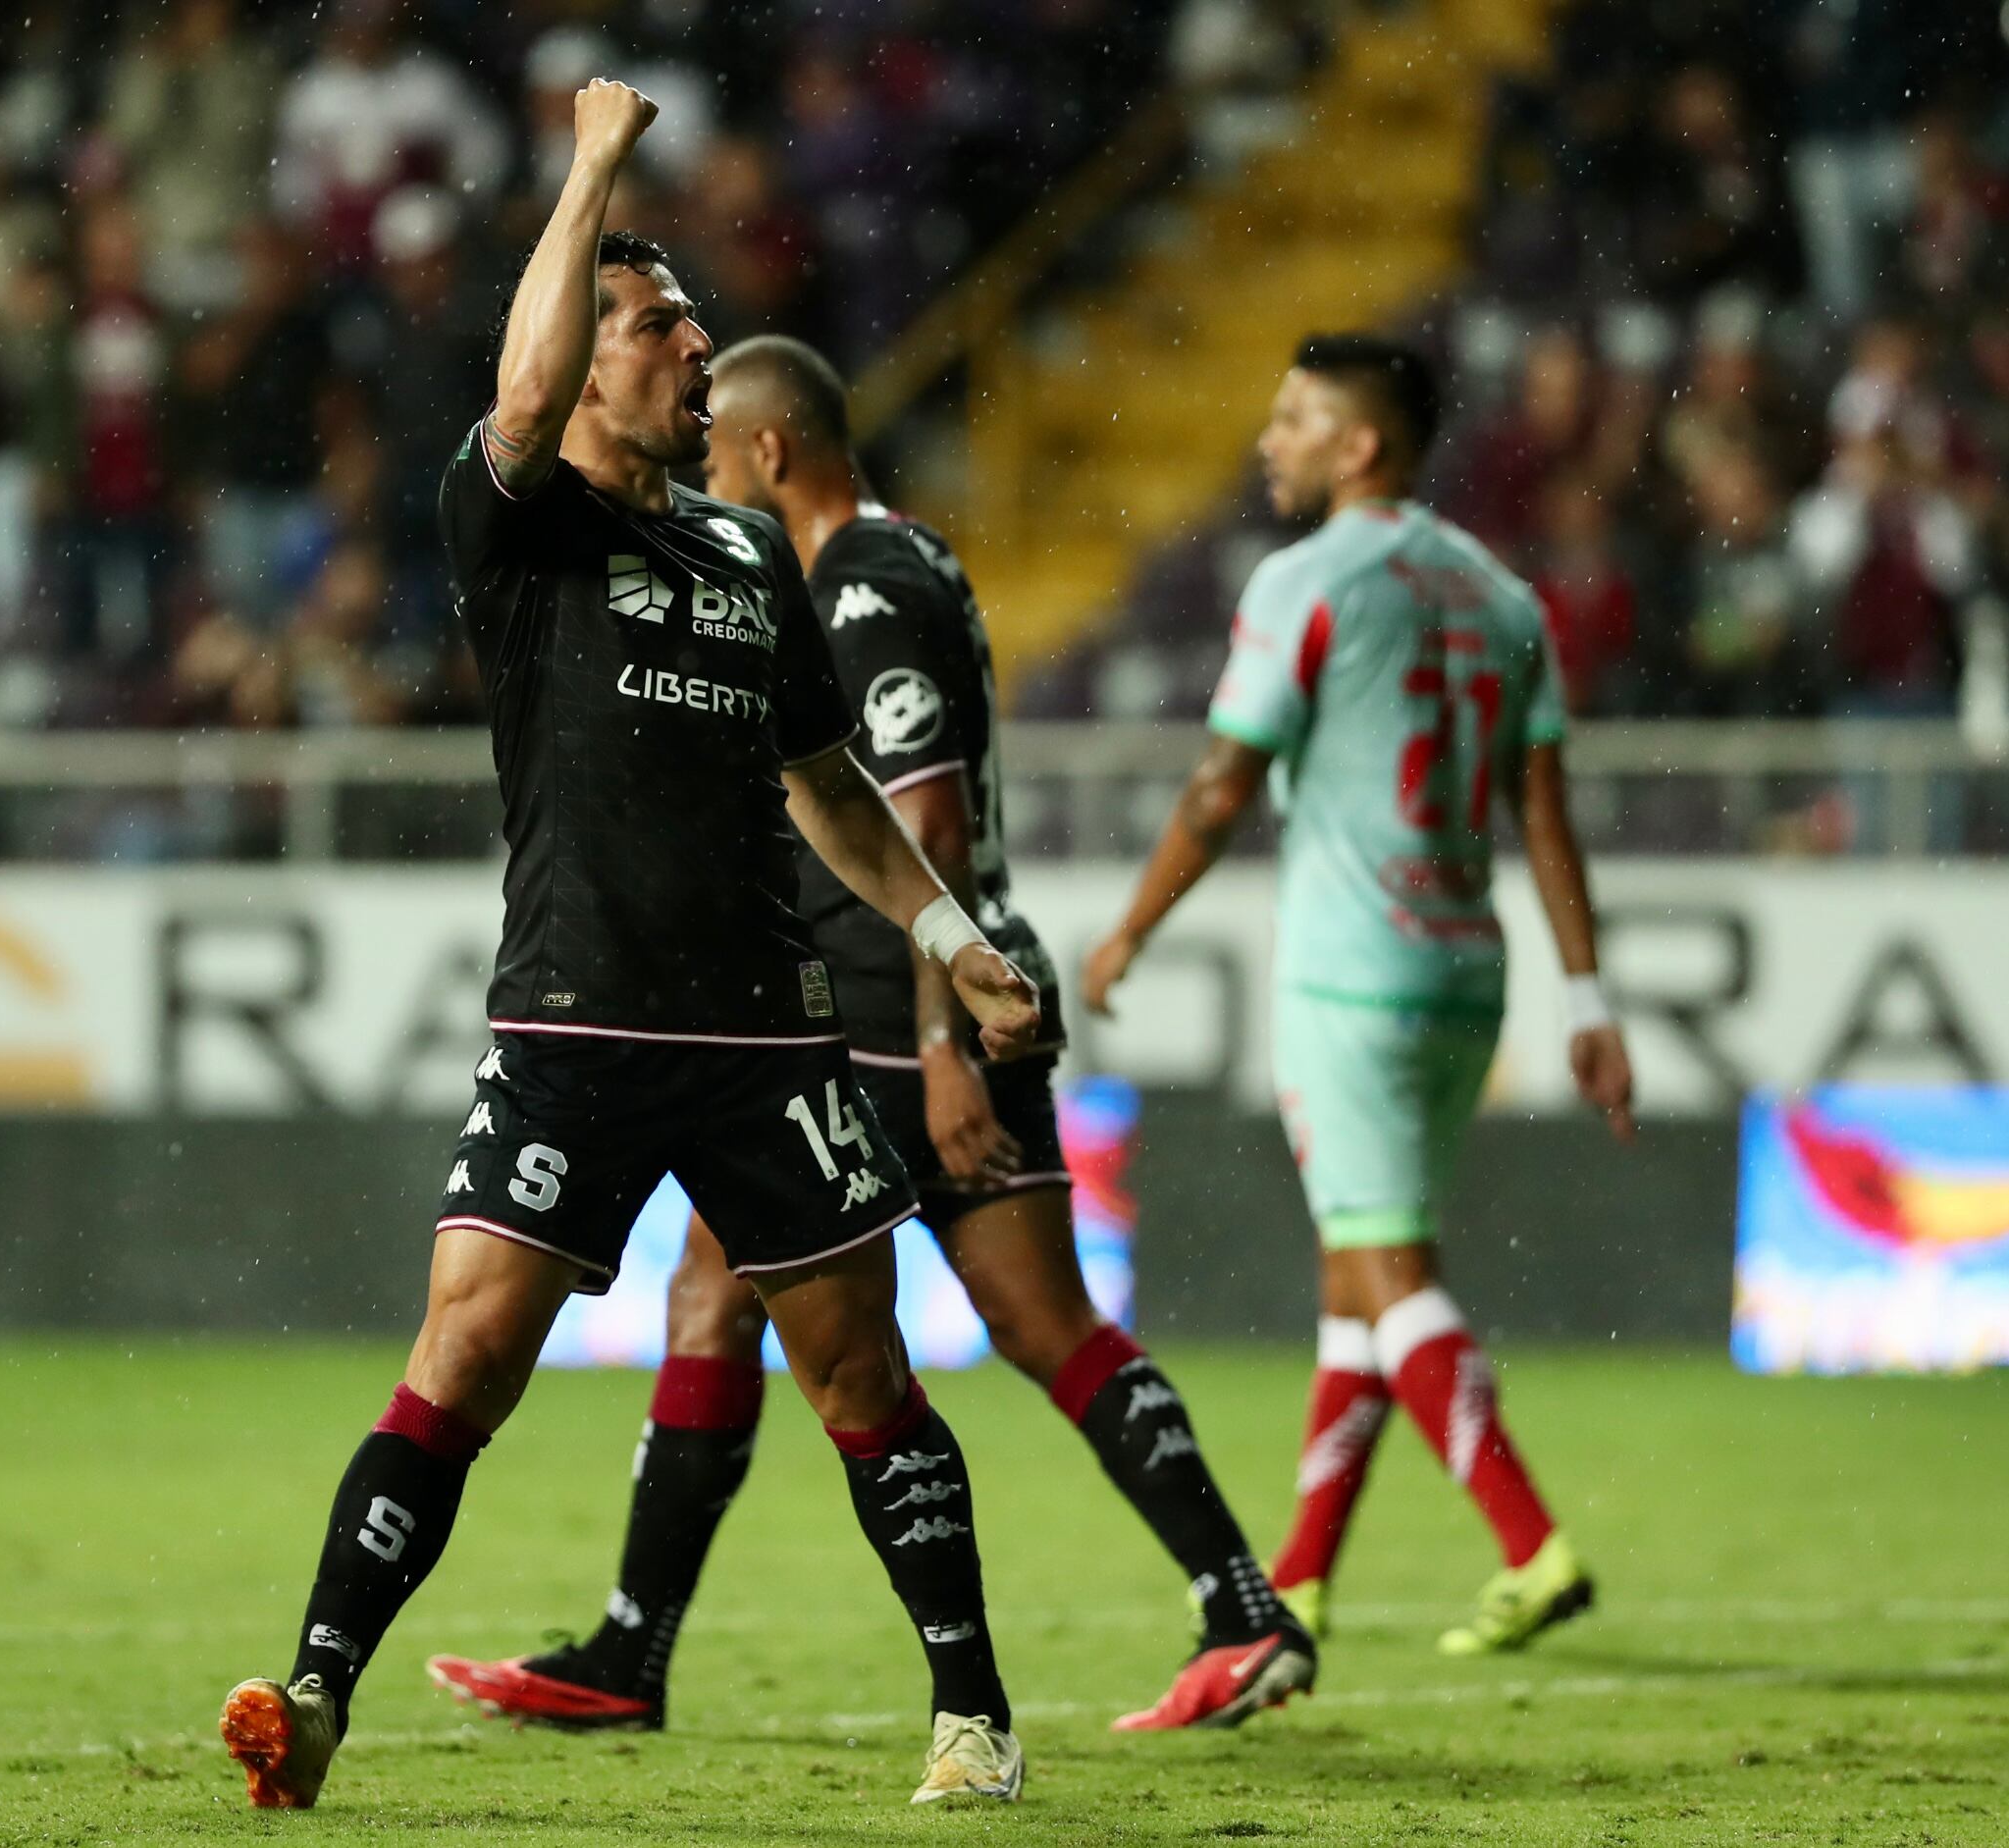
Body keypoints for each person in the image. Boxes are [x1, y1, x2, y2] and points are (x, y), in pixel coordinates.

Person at [218, 82, 1043, 1811]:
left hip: (761, 1039)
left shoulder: (749, 552)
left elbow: (828, 787)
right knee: (459, 1359)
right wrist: (593, 166)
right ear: (583, 365)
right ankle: (312, 1692)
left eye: (692, 323)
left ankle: (972, 1714)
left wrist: (952, 938)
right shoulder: (513, 524)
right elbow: (516, 394)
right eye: (659, 327)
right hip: (573, 1030)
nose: (694, 349)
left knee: (860, 1377)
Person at [424, 334, 1318, 1739]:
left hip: (895, 1004)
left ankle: (632, 1646)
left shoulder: (859, 581)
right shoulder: (919, 560)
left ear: (772, 457)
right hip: (957, 985)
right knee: (1039, 1321)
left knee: (723, 1291)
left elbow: (924, 806)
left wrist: (942, 1026)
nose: (705, 477)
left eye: (723, 458)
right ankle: (1239, 1602)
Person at [1084, 335, 1635, 1658]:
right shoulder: (1502, 593)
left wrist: (1127, 932)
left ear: (1361, 447)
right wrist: (1588, 995)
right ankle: (1303, 1580)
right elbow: (1542, 811)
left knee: (1390, 1274)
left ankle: (1531, 1543)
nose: (1266, 442)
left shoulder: (1305, 580)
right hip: (1465, 973)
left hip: (1349, 975)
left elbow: (1223, 783)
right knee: (1360, 1278)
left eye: (1292, 420)